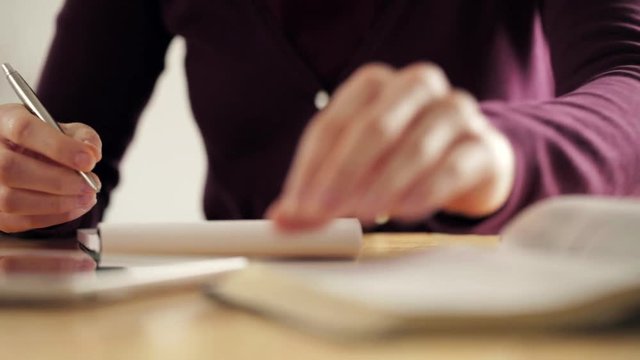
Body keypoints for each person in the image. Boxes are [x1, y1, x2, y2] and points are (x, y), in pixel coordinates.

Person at [0, 0, 638, 237]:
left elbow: (629, 79)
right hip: (237, 329)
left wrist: (503, 151)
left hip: (503, 327)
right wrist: (25, 188)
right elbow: (66, 158)